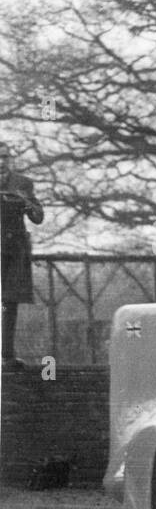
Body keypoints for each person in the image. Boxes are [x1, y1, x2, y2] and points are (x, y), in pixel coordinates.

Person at [0, 142, 45, 370]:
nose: (1, 162)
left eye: (5, 157)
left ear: (11, 159)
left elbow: (38, 216)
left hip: (13, 249)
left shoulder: (23, 183)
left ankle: (6, 355)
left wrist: (25, 202)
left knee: (10, 302)